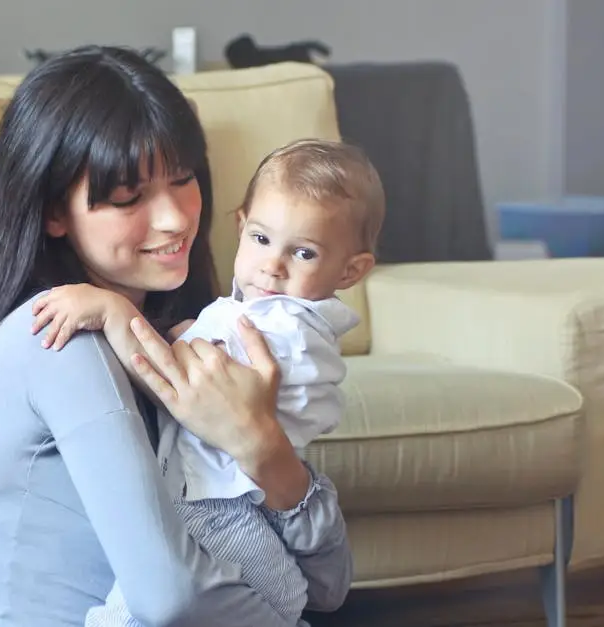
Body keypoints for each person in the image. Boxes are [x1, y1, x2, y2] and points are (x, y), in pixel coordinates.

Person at [0, 44, 352, 627]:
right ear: (54, 212)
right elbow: (169, 599)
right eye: (128, 197)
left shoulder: (198, 337)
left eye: (182, 178)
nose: (173, 219)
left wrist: (262, 444)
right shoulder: (56, 338)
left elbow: (329, 585)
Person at [30, 138, 385, 625]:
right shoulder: (262, 315)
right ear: (241, 226)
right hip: (237, 507)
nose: (272, 265)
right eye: (261, 239)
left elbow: (177, 385)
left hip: (219, 508)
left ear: (351, 270)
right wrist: (185, 335)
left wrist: (114, 312)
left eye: (303, 253)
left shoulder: (282, 327)